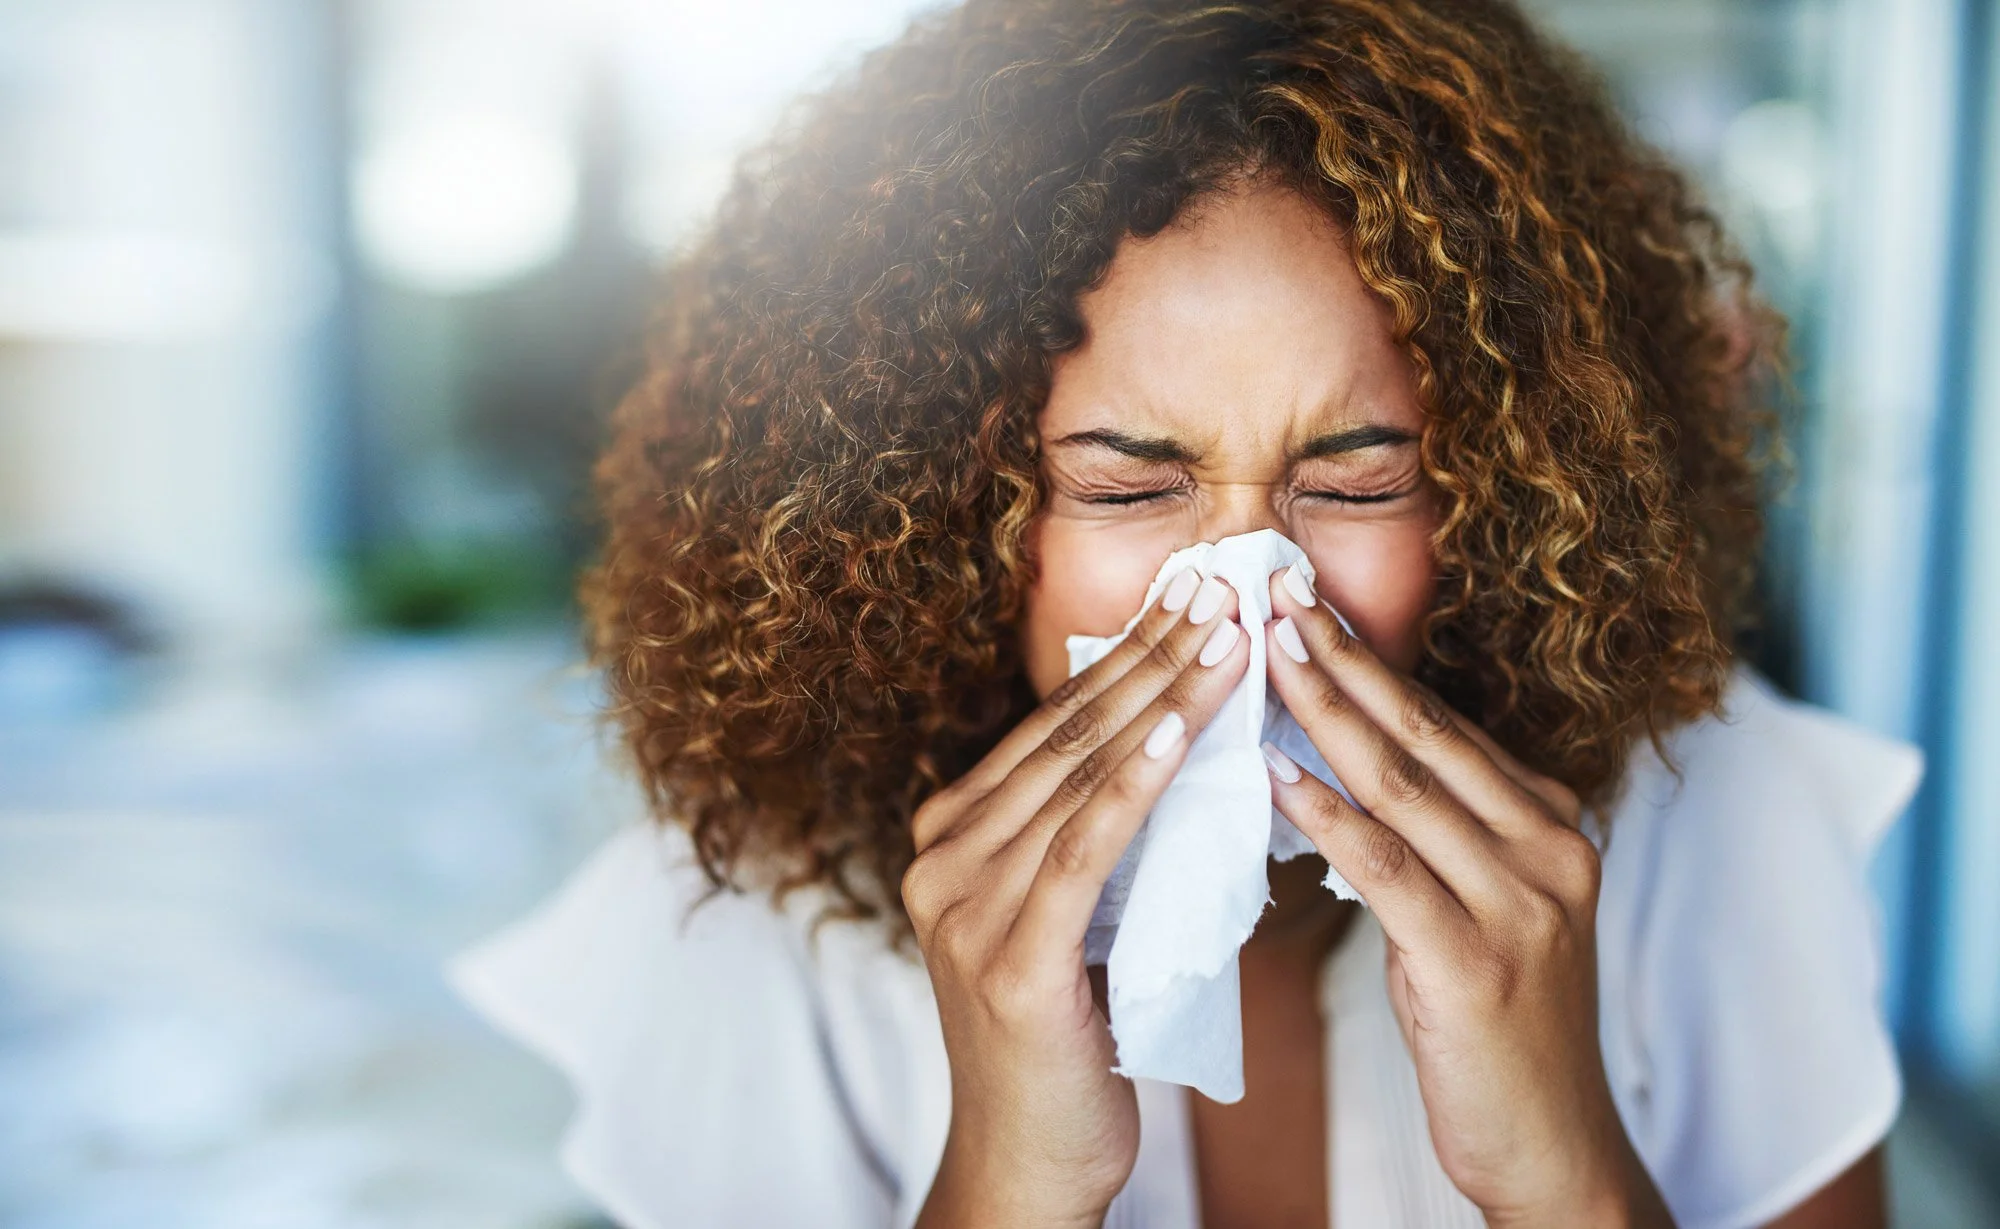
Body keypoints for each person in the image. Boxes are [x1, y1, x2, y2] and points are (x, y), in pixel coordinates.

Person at [451, 1, 1922, 1225]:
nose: (1245, 598)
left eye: (1353, 485)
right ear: (941, 518)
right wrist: (1010, 1183)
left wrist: (1563, 1178)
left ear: (1502, 502)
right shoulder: (755, 929)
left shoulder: (1713, 828)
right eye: (1125, 489)